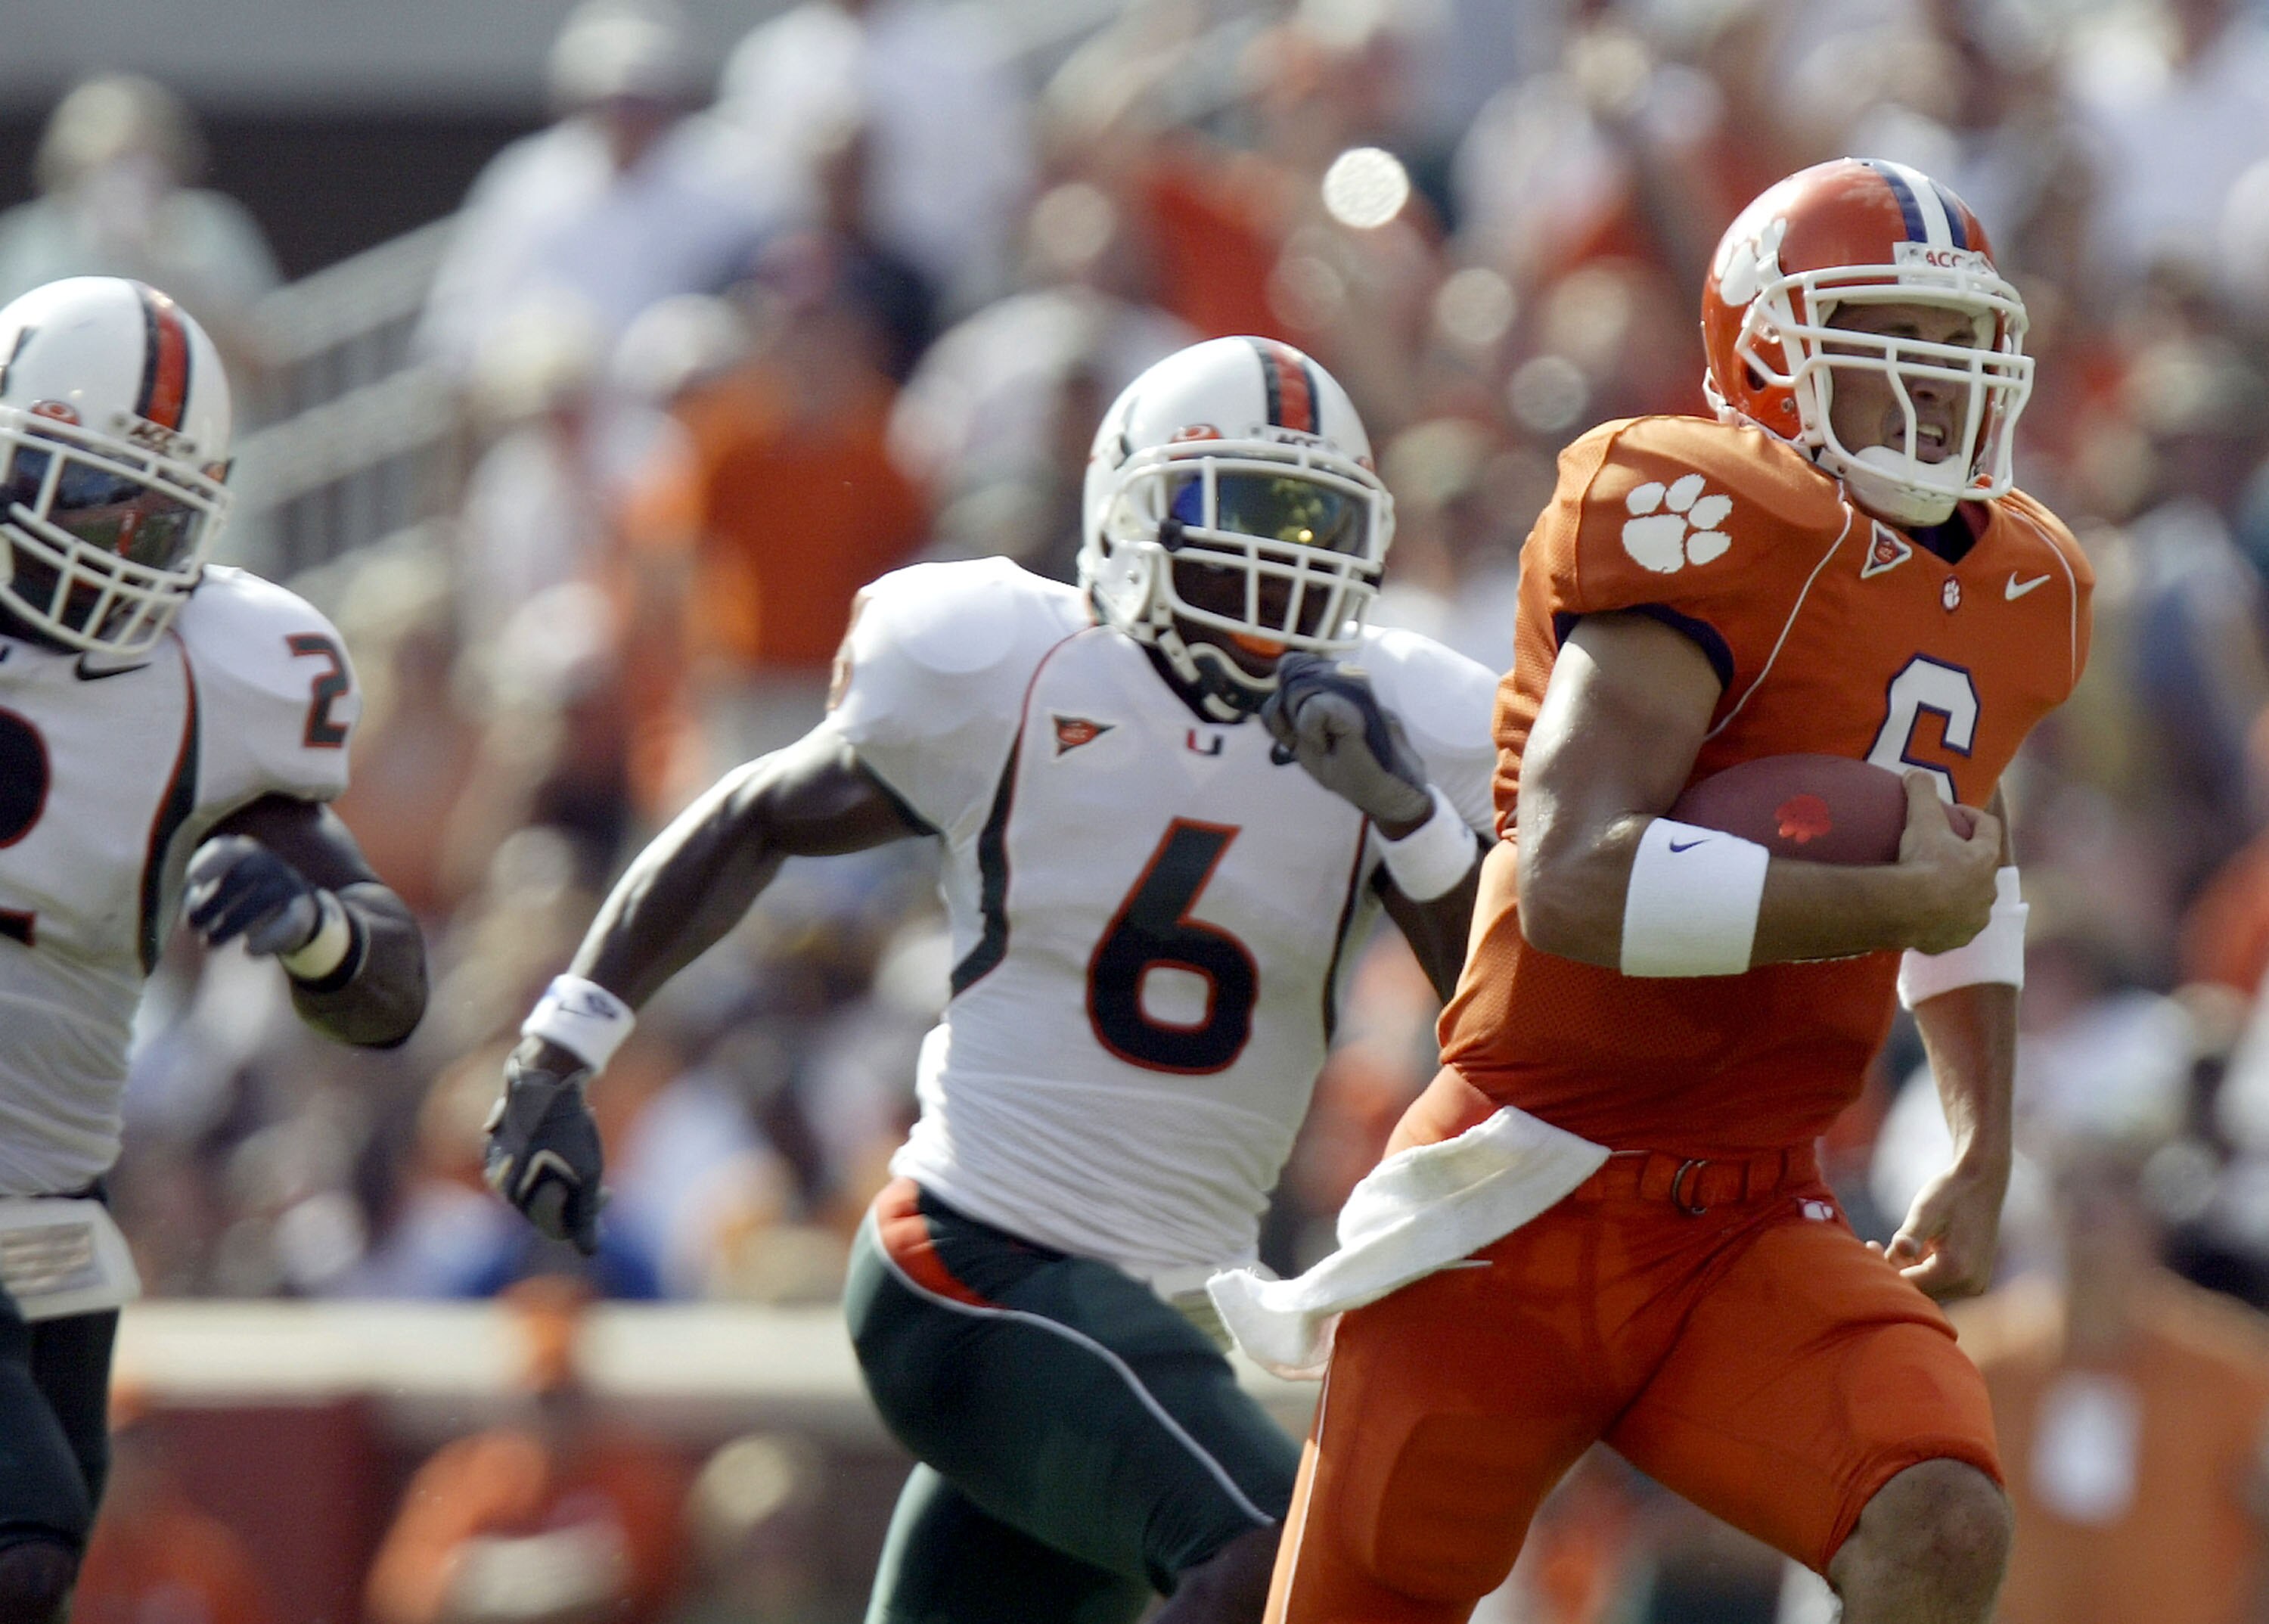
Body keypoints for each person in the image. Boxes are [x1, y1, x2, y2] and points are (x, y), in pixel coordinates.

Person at [483, 334, 1500, 1622]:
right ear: (1132, 513)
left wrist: (1409, 820)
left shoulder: (1392, 723)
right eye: (1238, 511)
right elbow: (755, 816)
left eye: (1316, 524)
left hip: (1156, 1317)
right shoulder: (1018, 669)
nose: (1278, 560)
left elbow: (1493, 1011)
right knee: (1281, 1563)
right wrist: (562, 1042)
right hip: (978, 1260)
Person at [1238, 158, 2094, 1621]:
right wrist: (1891, 909)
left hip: (1752, 1210)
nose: (1937, 382)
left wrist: (1979, 1136)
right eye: (1889, 333)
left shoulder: (2017, 583)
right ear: (1768, 350)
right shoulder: (1705, 510)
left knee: (1939, 1518)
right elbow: (1578, 878)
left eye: (1960, 343)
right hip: (1525, 1192)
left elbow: (1960, 858)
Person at [0, 275, 428, 1618]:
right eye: (80, 494)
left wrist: (310, 935)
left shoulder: (228, 678)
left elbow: (391, 983)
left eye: (151, 512)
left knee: (51, 1558)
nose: (111, 544)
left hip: (51, 1205)